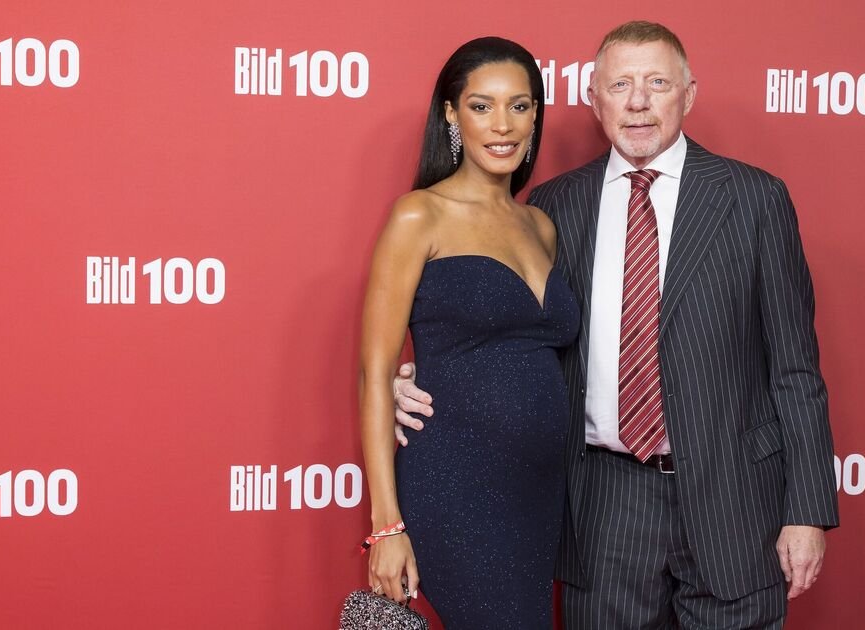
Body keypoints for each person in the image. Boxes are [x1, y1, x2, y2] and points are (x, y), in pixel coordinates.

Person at [395, 21, 839, 629]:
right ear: (593, 98)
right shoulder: (552, 208)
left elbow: (795, 369)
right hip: (605, 506)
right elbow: (520, 338)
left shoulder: (754, 199)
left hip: (736, 502)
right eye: (620, 84)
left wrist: (807, 510)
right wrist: (420, 377)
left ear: (688, 94)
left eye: (657, 83)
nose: (637, 102)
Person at [357, 37, 578, 628]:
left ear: (535, 115)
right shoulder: (418, 216)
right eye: (482, 106)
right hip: (456, 485)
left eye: (519, 106)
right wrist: (386, 526)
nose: (502, 125)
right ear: (452, 114)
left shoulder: (540, 226)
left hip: (538, 492)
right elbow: (375, 373)